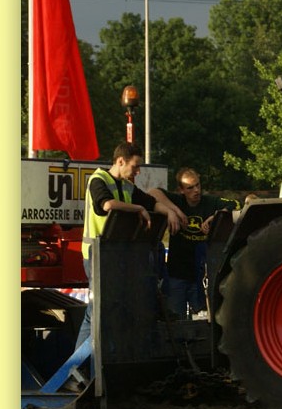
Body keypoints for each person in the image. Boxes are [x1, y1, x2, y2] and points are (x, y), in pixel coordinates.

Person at [70, 142, 183, 387]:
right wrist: (138, 208)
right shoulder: (98, 181)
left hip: (116, 257)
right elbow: (107, 205)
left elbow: (152, 203)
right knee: (97, 312)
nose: (137, 171)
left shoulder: (127, 186)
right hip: (97, 255)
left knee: (110, 311)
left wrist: (170, 212)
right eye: (135, 166)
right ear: (120, 161)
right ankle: (76, 371)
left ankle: (95, 369)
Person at [149, 168, 240, 318]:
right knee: (176, 317)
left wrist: (216, 216)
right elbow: (153, 192)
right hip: (177, 274)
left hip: (201, 276)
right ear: (181, 190)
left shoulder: (209, 202)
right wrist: (173, 211)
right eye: (190, 188)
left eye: (197, 185)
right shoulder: (177, 201)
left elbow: (235, 204)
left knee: (204, 318)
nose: (196, 191)